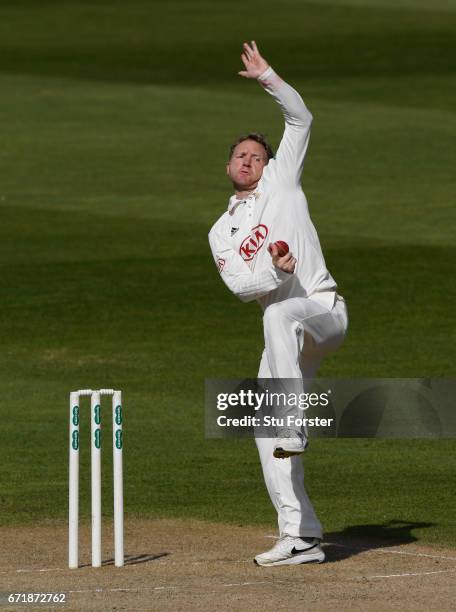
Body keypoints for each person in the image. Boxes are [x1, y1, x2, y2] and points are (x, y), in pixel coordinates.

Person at [208, 41, 348, 567]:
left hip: (323, 312)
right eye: (242, 156)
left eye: (257, 156)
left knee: (280, 311)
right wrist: (274, 270)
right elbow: (242, 286)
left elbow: (301, 116)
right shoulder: (221, 231)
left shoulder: (282, 180)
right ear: (228, 167)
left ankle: (293, 418)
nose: (250, 161)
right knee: (262, 428)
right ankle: (300, 534)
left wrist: (268, 76)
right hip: (282, 343)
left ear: (269, 165)